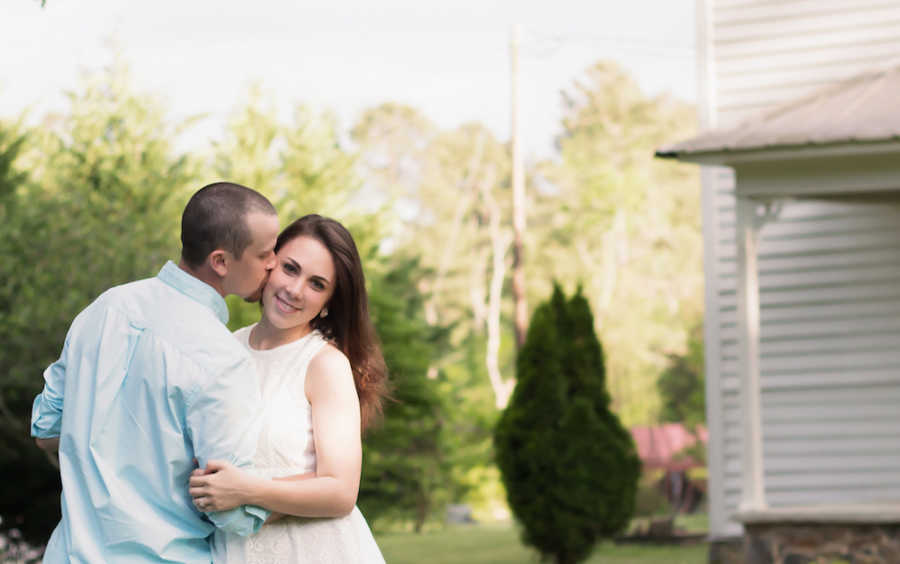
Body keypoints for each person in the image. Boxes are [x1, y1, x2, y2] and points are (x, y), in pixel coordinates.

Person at [30, 182, 280, 563]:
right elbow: (230, 510)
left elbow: (46, 430)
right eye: (264, 253)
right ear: (221, 262)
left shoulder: (103, 308)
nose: (273, 263)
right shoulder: (222, 358)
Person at [188, 214, 389, 563]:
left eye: (317, 284)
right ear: (269, 265)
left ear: (328, 301)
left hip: (312, 550)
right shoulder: (222, 350)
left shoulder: (324, 365)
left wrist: (245, 490)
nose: (295, 290)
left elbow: (341, 491)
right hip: (233, 551)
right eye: (290, 269)